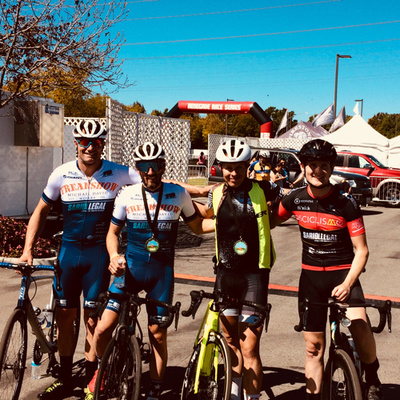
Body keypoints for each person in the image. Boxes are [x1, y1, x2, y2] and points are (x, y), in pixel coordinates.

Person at [18, 119, 142, 399]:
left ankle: (91, 377)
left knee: (91, 320)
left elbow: (152, 179)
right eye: (84, 142)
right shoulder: (61, 174)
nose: (89, 147)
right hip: (69, 254)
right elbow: (39, 211)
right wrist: (27, 250)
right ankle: (63, 376)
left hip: (98, 255)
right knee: (64, 317)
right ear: (76, 143)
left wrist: (196, 192)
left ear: (103, 145)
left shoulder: (117, 172)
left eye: (95, 142)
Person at [88, 142, 213, 400]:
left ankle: (156, 389)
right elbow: (113, 233)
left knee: (157, 334)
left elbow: (199, 227)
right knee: (101, 330)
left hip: (161, 274)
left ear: (163, 166)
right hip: (129, 271)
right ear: (138, 169)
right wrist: (114, 256)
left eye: (155, 166)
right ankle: (105, 368)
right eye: (144, 167)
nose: (151, 172)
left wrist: (230, 224)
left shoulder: (178, 194)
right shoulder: (127, 194)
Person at [273, 139, 383, 400]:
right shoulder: (294, 199)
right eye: (312, 165)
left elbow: (362, 250)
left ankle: (372, 373)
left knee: (359, 324)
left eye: (324, 165)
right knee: (313, 349)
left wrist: (347, 284)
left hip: (343, 275)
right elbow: (268, 222)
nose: (317, 171)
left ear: (331, 168)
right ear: (304, 166)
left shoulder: (346, 204)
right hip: (311, 279)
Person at [197, 139, 284, 400]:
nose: (232, 172)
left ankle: (253, 397)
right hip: (225, 273)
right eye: (227, 167)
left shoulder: (265, 189)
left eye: (238, 167)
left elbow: (284, 208)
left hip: (254, 275)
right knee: (230, 340)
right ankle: (234, 392)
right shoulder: (216, 193)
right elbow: (207, 217)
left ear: (248, 166)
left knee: (250, 347)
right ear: (220, 167)